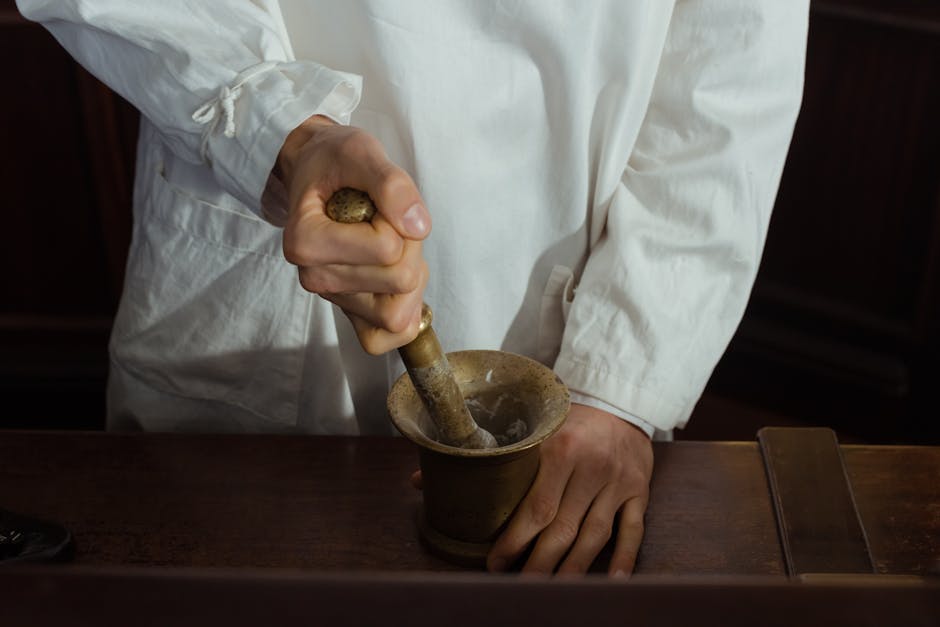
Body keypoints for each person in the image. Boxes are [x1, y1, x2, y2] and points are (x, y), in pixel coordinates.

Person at [17, 1, 809, 575]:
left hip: (567, 312)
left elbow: (729, 88)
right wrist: (280, 129)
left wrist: (620, 382)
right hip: (247, 248)